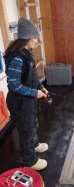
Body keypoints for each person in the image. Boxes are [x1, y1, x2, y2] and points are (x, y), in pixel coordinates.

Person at [4, 18, 48, 170]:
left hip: (28, 99)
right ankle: (29, 161)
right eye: (35, 38)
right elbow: (14, 85)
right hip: (19, 102)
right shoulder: (17, 57)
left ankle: (34, 145)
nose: (37, 41)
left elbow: (32, 76)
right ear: (27, 38)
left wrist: (41, 87)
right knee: (26, 130)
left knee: (33, 124)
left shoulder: (27, 52)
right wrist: (34, 93)